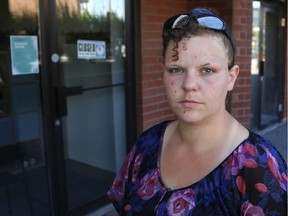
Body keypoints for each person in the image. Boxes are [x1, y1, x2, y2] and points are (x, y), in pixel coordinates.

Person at [107, 8, 287, 215]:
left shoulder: (259, 168)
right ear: (163, 74)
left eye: (207, 70)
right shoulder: (147, 145)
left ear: (231, 77)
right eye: (176, 69)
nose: (189, 85)